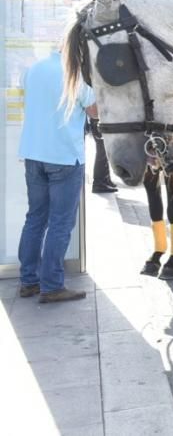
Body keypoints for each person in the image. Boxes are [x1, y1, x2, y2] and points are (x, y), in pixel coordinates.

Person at [17, 50, 96, 303]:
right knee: (60, 223)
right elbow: (95, 111)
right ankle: (51, 285)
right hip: (64, 157)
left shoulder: (34, 69)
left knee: (35, 218)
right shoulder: (76, 75)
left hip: (33, 155)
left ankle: (28, 281)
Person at [89, 117, 117, 193]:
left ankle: (105, 180)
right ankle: (99, 183)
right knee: (102, 153)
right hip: (98, 121)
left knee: (104, 152)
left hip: (99, 121)